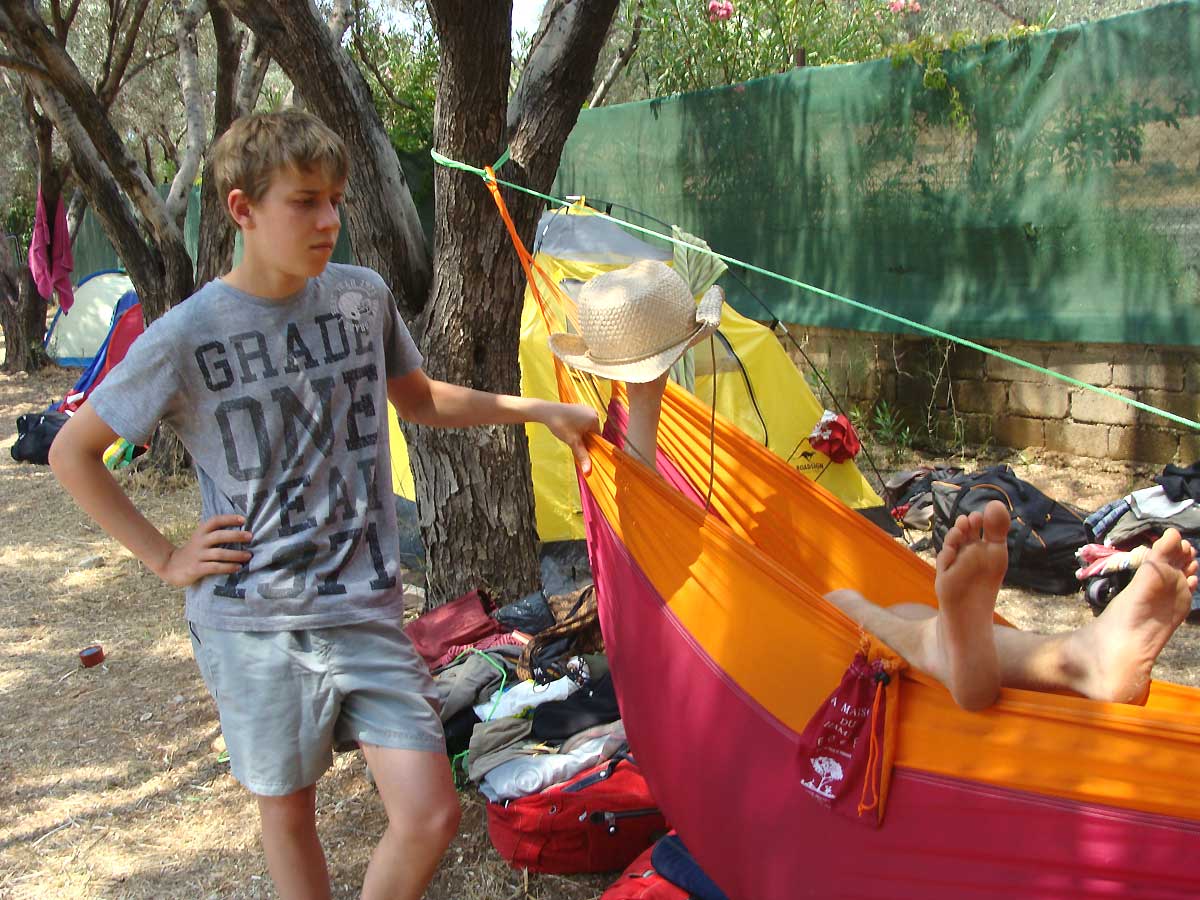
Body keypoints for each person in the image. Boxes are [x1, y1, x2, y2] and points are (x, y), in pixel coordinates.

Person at [49, 110, 599, 900]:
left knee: (430, 814)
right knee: (289, 812)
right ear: (242, 209)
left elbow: (421, 401)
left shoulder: (360, 298)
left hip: (363, 607)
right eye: (305, 201)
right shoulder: (185, 335)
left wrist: (537, 409)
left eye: (335, 200)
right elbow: (73, 452)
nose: (329, 220)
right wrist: (165, 557)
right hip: (254, 622)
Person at [549, 260, 1197, 712]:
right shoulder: (631, 458)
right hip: (712, 656)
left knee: (896, 613)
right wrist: (629, 399)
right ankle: (1057, 657)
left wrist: (559, 409)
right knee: (858, 616)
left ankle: (1064, 657)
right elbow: (643, 522)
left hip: (713, 628)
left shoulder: (614, 448)